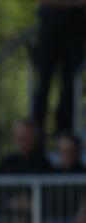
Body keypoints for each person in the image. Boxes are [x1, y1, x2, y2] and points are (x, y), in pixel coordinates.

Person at [32, 0, 86, 134]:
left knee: (70, 85)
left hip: (75, 31)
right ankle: (36, 131)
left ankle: (64, 130)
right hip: (50, 30)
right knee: (43, 83)